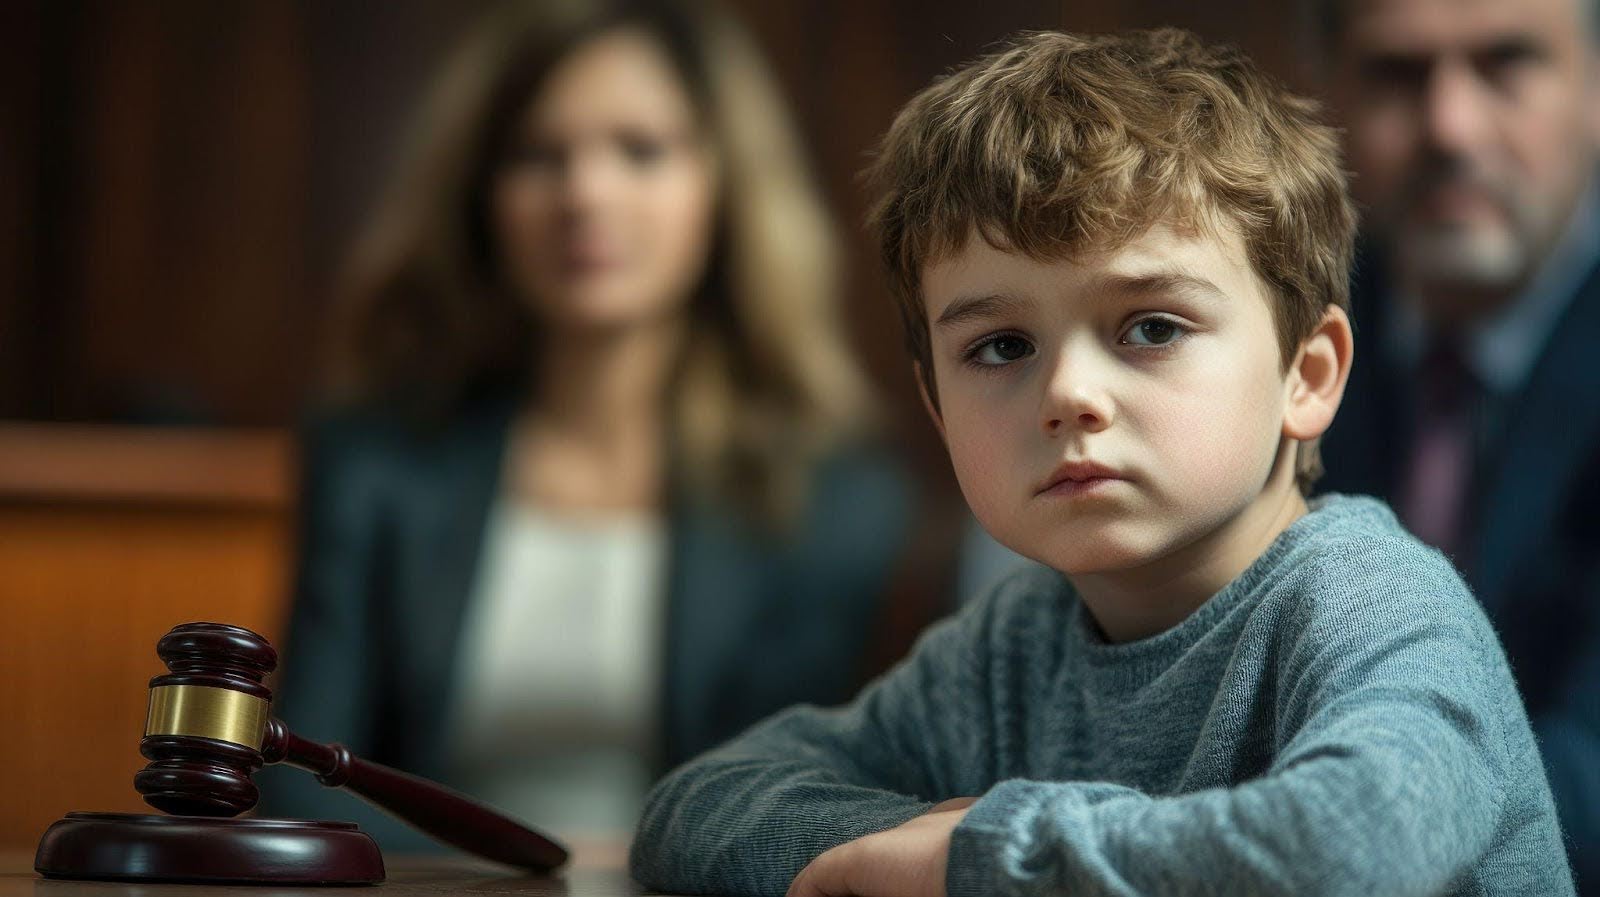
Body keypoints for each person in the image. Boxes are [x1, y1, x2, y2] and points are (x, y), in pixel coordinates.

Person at [629, 28, 1574, 896]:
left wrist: (983, 854)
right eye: (999, 346)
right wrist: (926, 841)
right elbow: (699, 806)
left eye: (1150, 327)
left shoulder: (1374, 603)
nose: (1067, 395)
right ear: (935, 407)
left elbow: (1353, 849)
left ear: (1307, 373)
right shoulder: (1009, 649)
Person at [257, 0, 914, 848]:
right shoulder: (375, 460)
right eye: (538, 154)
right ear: (482, 192)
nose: (584, 193)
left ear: (722, 185)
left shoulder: (836, 492)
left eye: (640, 150)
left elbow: (821, 802)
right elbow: (294, 779)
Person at [1310, 0, 1600, 885]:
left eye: (1506, 64)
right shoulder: (1264, 333)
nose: (1450, 126)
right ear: (1329, 96)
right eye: (1400, 74)